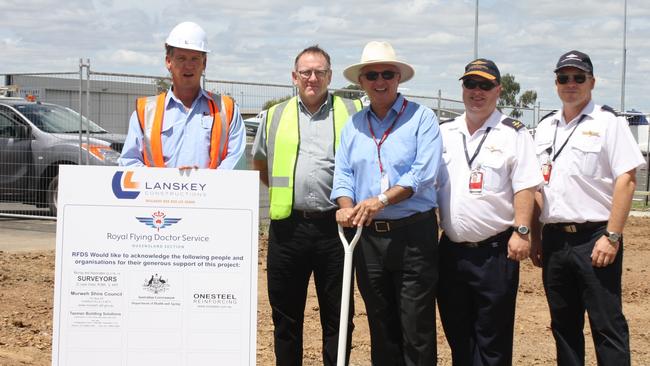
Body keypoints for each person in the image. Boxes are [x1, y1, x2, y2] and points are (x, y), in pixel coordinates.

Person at [531, 50, 645, 366]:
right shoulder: (545, 127)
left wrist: (612, 235)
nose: (571, 83)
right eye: (563, 77)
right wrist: (537, 237)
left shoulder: (609, 123)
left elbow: (627, 179)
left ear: (591, 82)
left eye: (578, 77)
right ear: (556, 83)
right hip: (555, 240)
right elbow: (537, 186)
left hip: (595, 238)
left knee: (606, 324)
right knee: (564, 327)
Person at [332, 41, 442, 365]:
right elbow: (343, 175)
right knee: (381, 326)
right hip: (369, 239)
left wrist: (380, 200)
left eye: (387, 74)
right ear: (362, 82)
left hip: (414, 236)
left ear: (398, 78)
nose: (380, 81)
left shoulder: (422, 118)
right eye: (372, 75)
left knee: (416, 326)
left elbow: (423, 173)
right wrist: (346, 205)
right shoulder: (352, 126)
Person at [251, 45, 362, 365]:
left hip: (336, 229)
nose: (312, 78)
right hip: (288, 228)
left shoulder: (352, 112)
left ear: (329, 75)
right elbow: (260, 164)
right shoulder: (274, 115)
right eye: (306, 72)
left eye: (320, 72)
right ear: (294, 76)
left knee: (338, 317)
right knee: (285, 317)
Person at [436, 59, 543, 365]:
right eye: (471, 84)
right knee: (459, 338)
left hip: (495, 254)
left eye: (485, 85)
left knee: (492, 343)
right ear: (463, 89)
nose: (477, 92)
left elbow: (525, 186)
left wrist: (523, 231)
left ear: (498, 90)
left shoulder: (514, 133)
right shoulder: (445, 132)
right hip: (452, 253)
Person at [120, 21, 245, 169]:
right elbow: (129, 162)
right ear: (168, 61)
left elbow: (236, 161)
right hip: (159, 193)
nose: (188, 65)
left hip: (213, 192)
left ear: (204, 63)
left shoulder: (226, 110)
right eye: (181, 58)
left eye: (195, 59)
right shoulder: (145, 112)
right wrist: (173, 184)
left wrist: (202, 183)